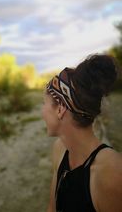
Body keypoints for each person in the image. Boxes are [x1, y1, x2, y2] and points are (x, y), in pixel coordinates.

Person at [42, 54, 122, 212]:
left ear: (60, 109)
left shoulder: (112, 172)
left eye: (43, 103)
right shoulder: (60, 149)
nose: (42, 112)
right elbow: (52, 207)